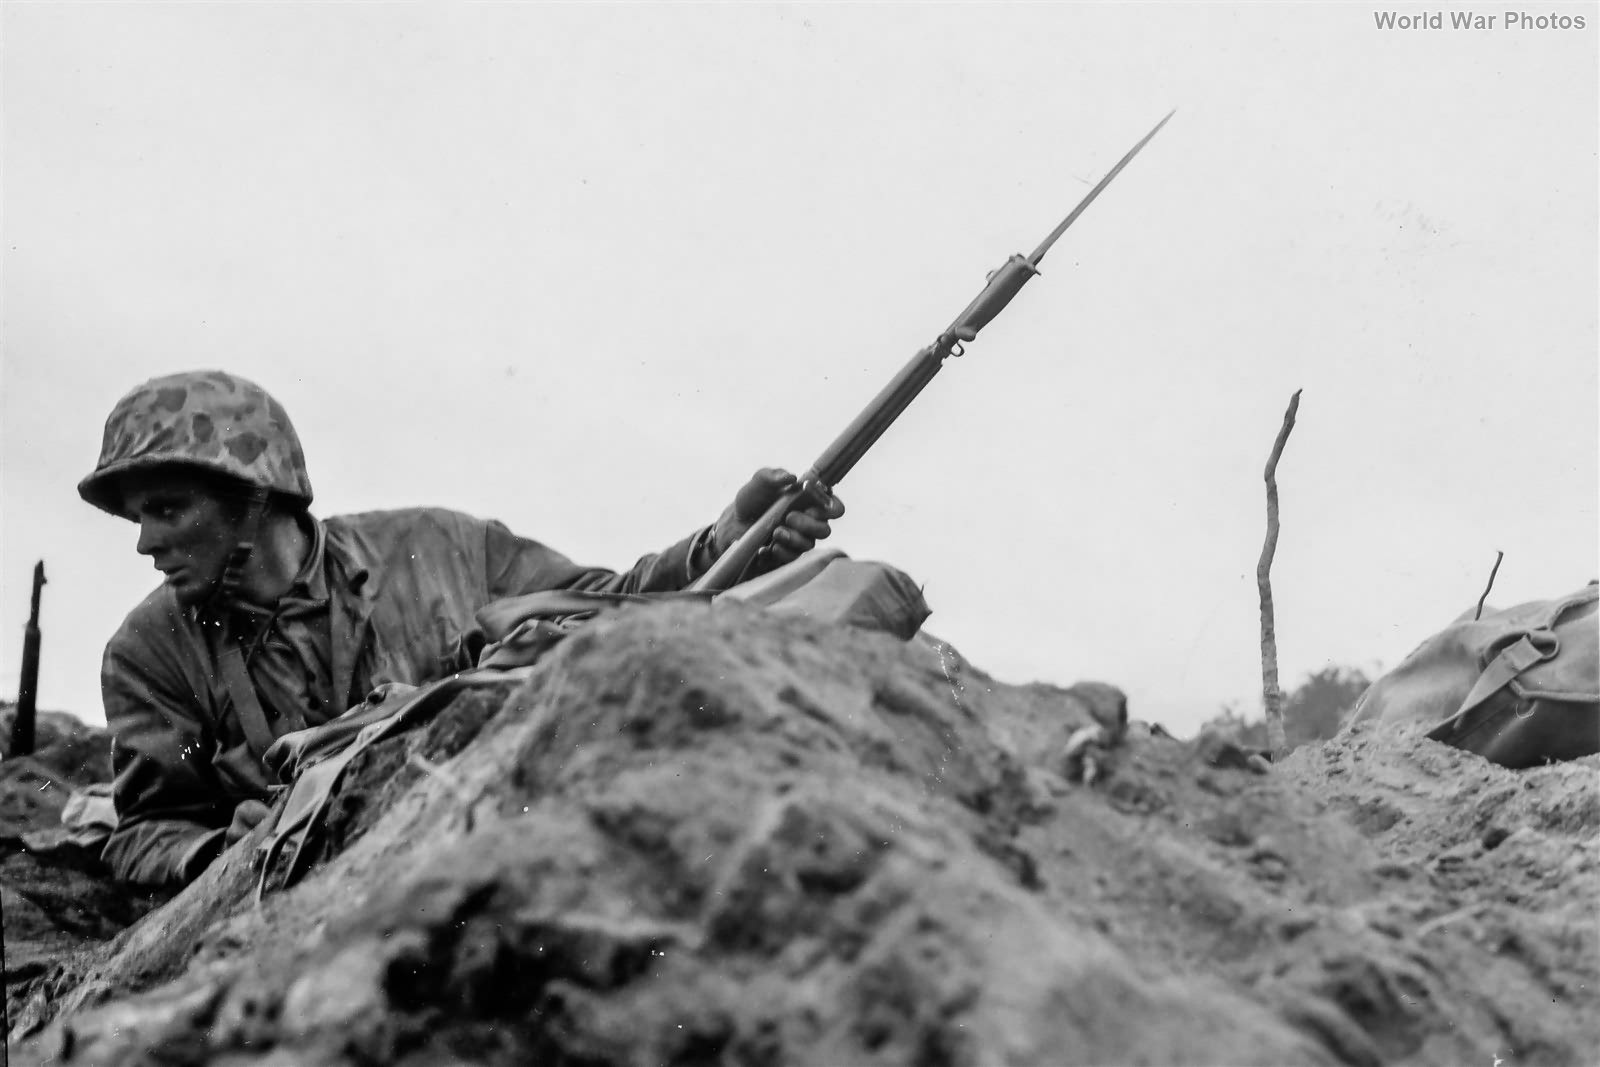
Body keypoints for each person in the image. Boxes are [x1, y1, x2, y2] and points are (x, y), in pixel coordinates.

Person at [80, 370, 843, 887]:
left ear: (251, 495)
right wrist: (224, 849)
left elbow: (607, 606)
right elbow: (144, 829)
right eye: (138, 515)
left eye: (168, 509)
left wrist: (725, 542)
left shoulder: (440, 549)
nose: (145, 542)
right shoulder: (150, 653)